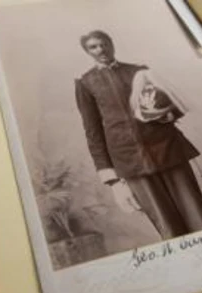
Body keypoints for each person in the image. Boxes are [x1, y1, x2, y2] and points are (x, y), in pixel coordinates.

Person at [75, 30, 202, 239]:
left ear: (111, 43)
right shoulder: (85, 83)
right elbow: (93, 132)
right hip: (129, 161)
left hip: (167, 149)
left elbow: (174, 104)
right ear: (87, 52)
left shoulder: (139, 71)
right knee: (167, 226)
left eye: (104, 43)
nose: (101, 50)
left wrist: (164, 114)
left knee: (197, 214)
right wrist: (112, 179)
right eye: (93, 47)